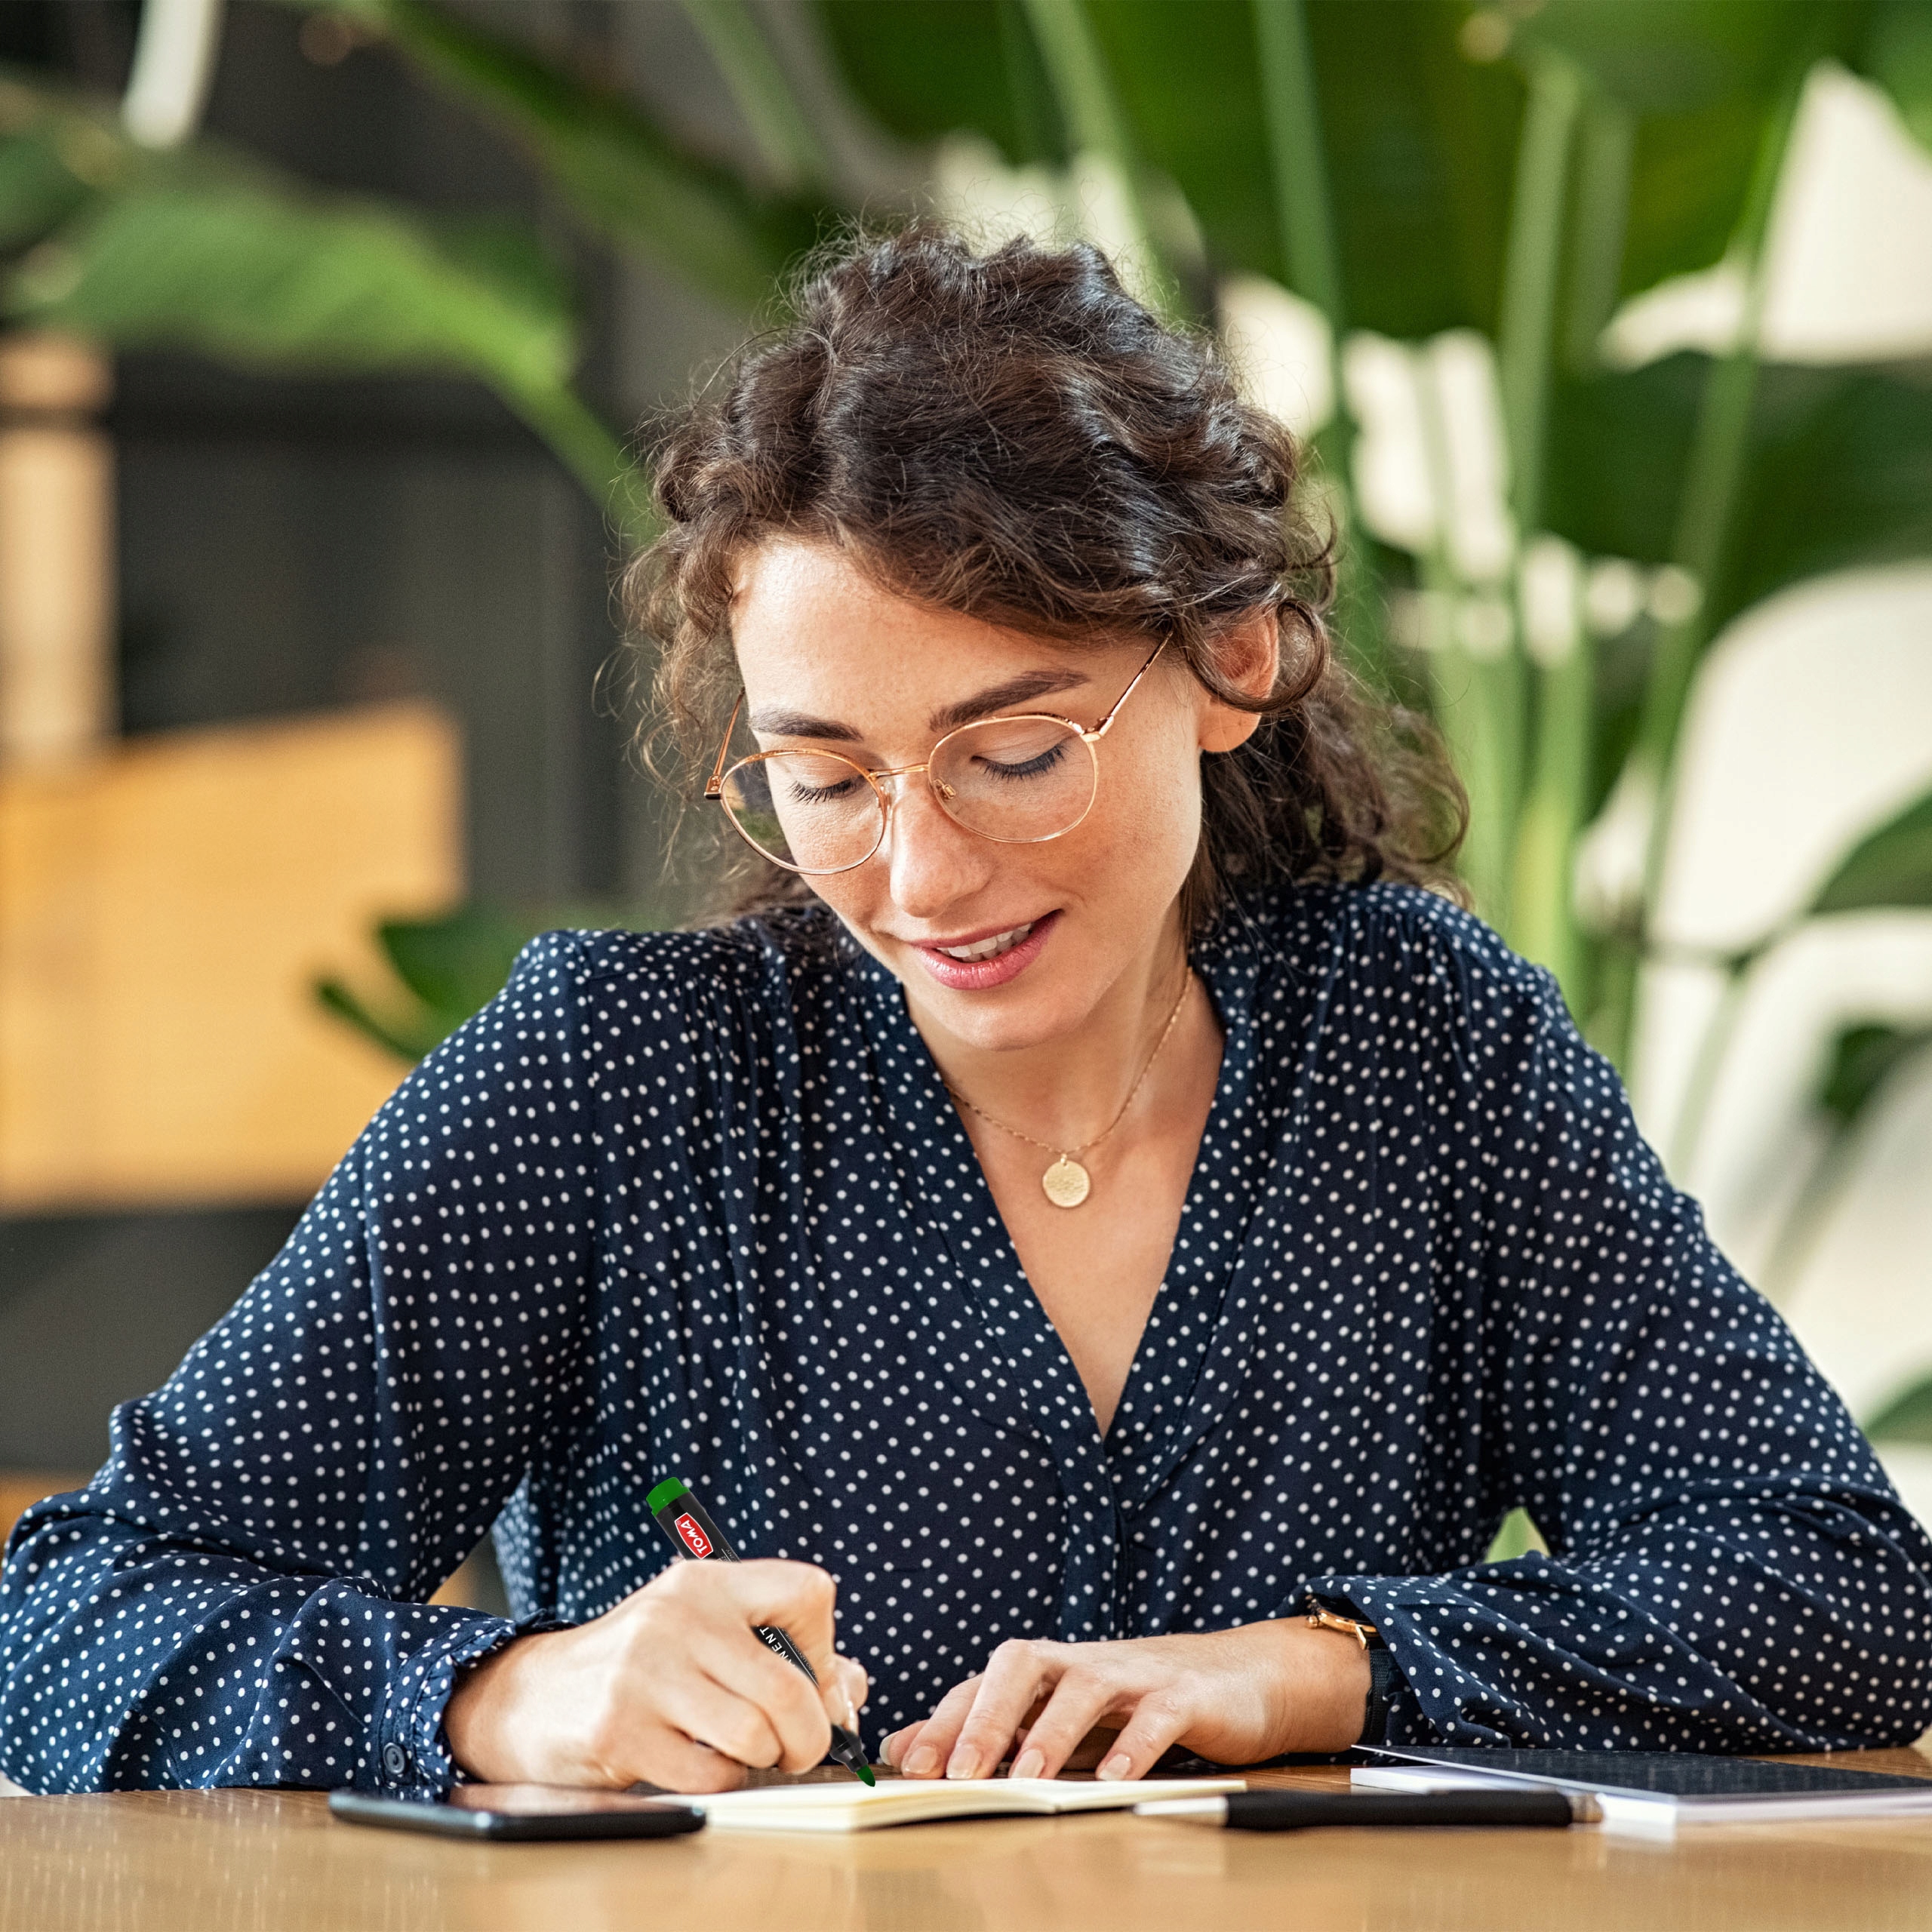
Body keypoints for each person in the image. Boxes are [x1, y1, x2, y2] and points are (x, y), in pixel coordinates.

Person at [3, 229, 1929, 1800]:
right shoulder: (615, 1078)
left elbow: (1843, 1592)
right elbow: (65, 1621)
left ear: (1229, 658)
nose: (922, 878)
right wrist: (503, 1694)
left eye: (1012, 751)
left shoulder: (1420, 1049)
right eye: (827, 776)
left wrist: (1324, 1666)